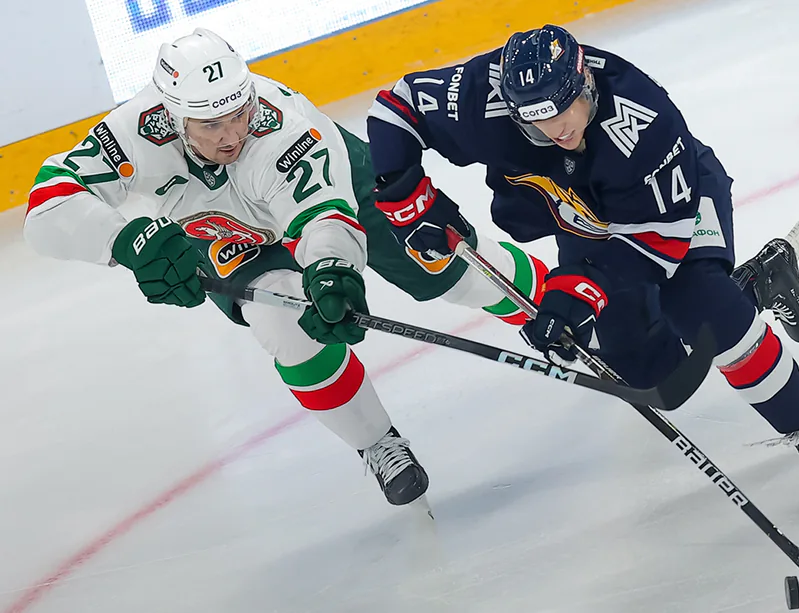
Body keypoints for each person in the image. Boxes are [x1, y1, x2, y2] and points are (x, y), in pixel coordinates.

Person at [22, 28, 549, 507]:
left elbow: (323, 218)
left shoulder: (281, 130)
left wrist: (331, 269)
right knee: (281, 323)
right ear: (174, 118)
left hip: (336, 188)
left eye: (239, 113)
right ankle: (376, 441)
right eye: (211, 124)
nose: (232, 135)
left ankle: (561, 310)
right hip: (225, 228)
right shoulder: (133, 133)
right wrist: (125, 241)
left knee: (452, 271)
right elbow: (47, 206)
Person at [365, 25, 799, 496]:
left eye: (563, 109)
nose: (555, 129)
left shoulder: (642, 121)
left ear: (585, 82)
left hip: (672, 211)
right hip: (587, 224)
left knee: (703, 306)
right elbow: (396, 108)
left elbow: (656, 245)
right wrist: (404, 195)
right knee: (654, 379)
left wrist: (578, 293)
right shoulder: (482, 97)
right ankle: (757, 283)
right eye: (535, 119)